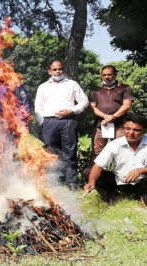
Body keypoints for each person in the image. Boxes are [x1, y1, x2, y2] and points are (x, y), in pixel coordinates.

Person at [34, 60, 89, 189]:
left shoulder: (72, 84)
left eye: (60, 69)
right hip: (49, 122)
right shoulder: (43, 86)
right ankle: (55, 183)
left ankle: (72, 183)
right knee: (51, 154)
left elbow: (84, 101)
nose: (58, 72)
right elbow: (38, 107)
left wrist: (72, 111)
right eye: (55, 69)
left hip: (68, 121)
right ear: (49, 71)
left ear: (63, 70)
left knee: (69, 153)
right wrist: (43, 123)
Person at [84, 115, 147, 204]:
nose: (131, 133)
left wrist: (140, 171)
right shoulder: (115, 145)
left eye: (136, 130)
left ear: (144, 130)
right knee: (88, 172)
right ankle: (114, 197)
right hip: (119, 182)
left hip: (143, 183)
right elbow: (98, 165)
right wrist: (91, 182)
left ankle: (144, 197)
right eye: (127, 129)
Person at [89, 65, 134, 160]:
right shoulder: (96, 90)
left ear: (115, 74)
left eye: (109, 74)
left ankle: (122, 175)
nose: (106, 77)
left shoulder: (125, 88)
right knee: (96, 152)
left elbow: (127, 105)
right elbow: (92, 107)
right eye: (104, 75)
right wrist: (105, 116)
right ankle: (96, 174)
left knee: (123, 151)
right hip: (100, 125)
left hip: (120, 125)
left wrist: (113, 117)